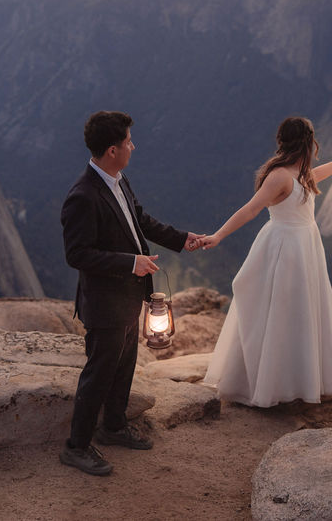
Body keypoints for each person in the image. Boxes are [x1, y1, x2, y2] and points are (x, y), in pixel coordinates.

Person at [60, 110, 204, 476]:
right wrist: (131, 263)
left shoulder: (118, 181)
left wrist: (180, 239)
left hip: (126, 298)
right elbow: (77, 255)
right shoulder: (83, 196)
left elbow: (141, 220)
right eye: (127, 142)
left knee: (123, 367)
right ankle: (76, 447)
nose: (132, 146)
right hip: (105, 303)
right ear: (112, 150)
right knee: (99, 372)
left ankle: (113, 427)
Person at [200, 116, 332, 407]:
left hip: (305, 245)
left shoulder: (300, 172)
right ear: (308, 142)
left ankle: (296, 381)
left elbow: (318, 174)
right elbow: (251, 209)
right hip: (286, 247)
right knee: (281, 311)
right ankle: (271, 384)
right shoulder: (279, 175)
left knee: (299, 312)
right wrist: (217, 236)